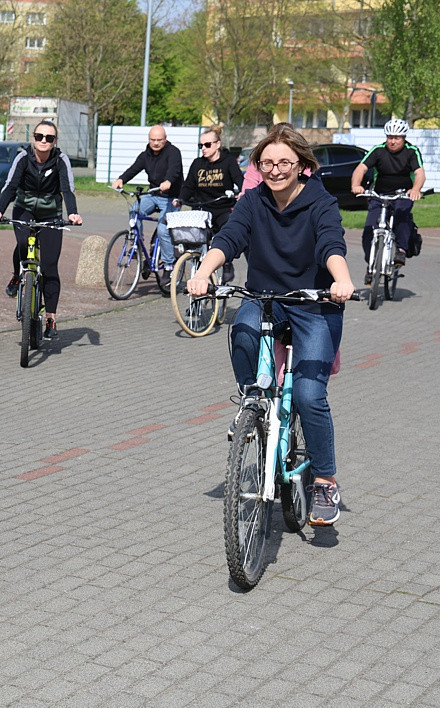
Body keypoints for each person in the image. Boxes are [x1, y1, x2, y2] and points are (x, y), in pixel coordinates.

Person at [186, 124, 355, 526]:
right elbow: (229, 238)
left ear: (301, 165)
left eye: (284, 162)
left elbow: (331, 243)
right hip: (266, 299)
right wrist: (204, 272)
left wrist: (341, 280)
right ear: (258, 166)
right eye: (267, 163)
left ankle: (325, 481)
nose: (275, 170)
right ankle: (251, 401)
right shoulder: (253, 201)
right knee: (241, 332)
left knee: (310, 396)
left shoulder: (320, 202)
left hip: (313, 304)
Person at [0, 120, 82, 340]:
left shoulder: (61, 160)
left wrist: (73, 213)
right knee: (22, 242)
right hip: (25, 209)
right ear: (33, 138)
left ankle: (50, 317)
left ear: (55, 141)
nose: (43, 141)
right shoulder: (23, 158)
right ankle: (16, 276)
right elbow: (10, 186)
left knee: (50, 266)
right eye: (39, 136)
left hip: (51, 213)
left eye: (49, 138)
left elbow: (68, 189)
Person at [350, 118, 425, 283]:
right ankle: (371, 266)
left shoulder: (411, 151)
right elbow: (360, 168)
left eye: (397, 138)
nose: (392, 141)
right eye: (390, 137)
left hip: (403, 194)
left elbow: (419, 173)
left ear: (403, 138)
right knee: (369, 230)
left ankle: (401, 250)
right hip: (379, 194)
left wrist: (415, 190)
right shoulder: (378, 150)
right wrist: (356, 185)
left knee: (402, 215)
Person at [111, 125, 183, 285]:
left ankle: (169, 266)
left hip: (171, 197)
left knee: (163, 228)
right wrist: (121, 179)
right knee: (134, 210)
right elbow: (134, 168)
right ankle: (137, 244)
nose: (156, 143)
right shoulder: (146, 155)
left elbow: (174, 170)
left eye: (159, 140)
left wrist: (169, 181)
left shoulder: (173, 152)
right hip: (154, 194)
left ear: (165, 139)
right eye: (153, 140)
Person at [174, 127, 243, 283]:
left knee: (225, 230)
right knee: (191, 238)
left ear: (218, 144)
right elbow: (188, 185)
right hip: (201, 208)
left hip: (222, 207)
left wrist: (241, 193)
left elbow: (240, 180)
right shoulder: (197, 163)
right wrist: (180, 199)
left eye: (207, 145)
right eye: (201, 146)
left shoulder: (228, 161)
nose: (203, 149)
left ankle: (226, 263)